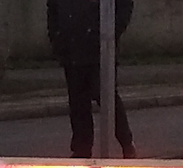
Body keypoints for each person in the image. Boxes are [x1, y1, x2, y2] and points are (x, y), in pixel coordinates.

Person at [46, 0, 137, 159]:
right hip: (71, 49)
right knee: (78, 102)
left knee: (106, 97)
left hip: (100, 49)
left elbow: (124, 6)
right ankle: (82, 148)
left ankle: (126, 144)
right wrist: (57, 38)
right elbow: (53, 9)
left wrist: (110, 32)